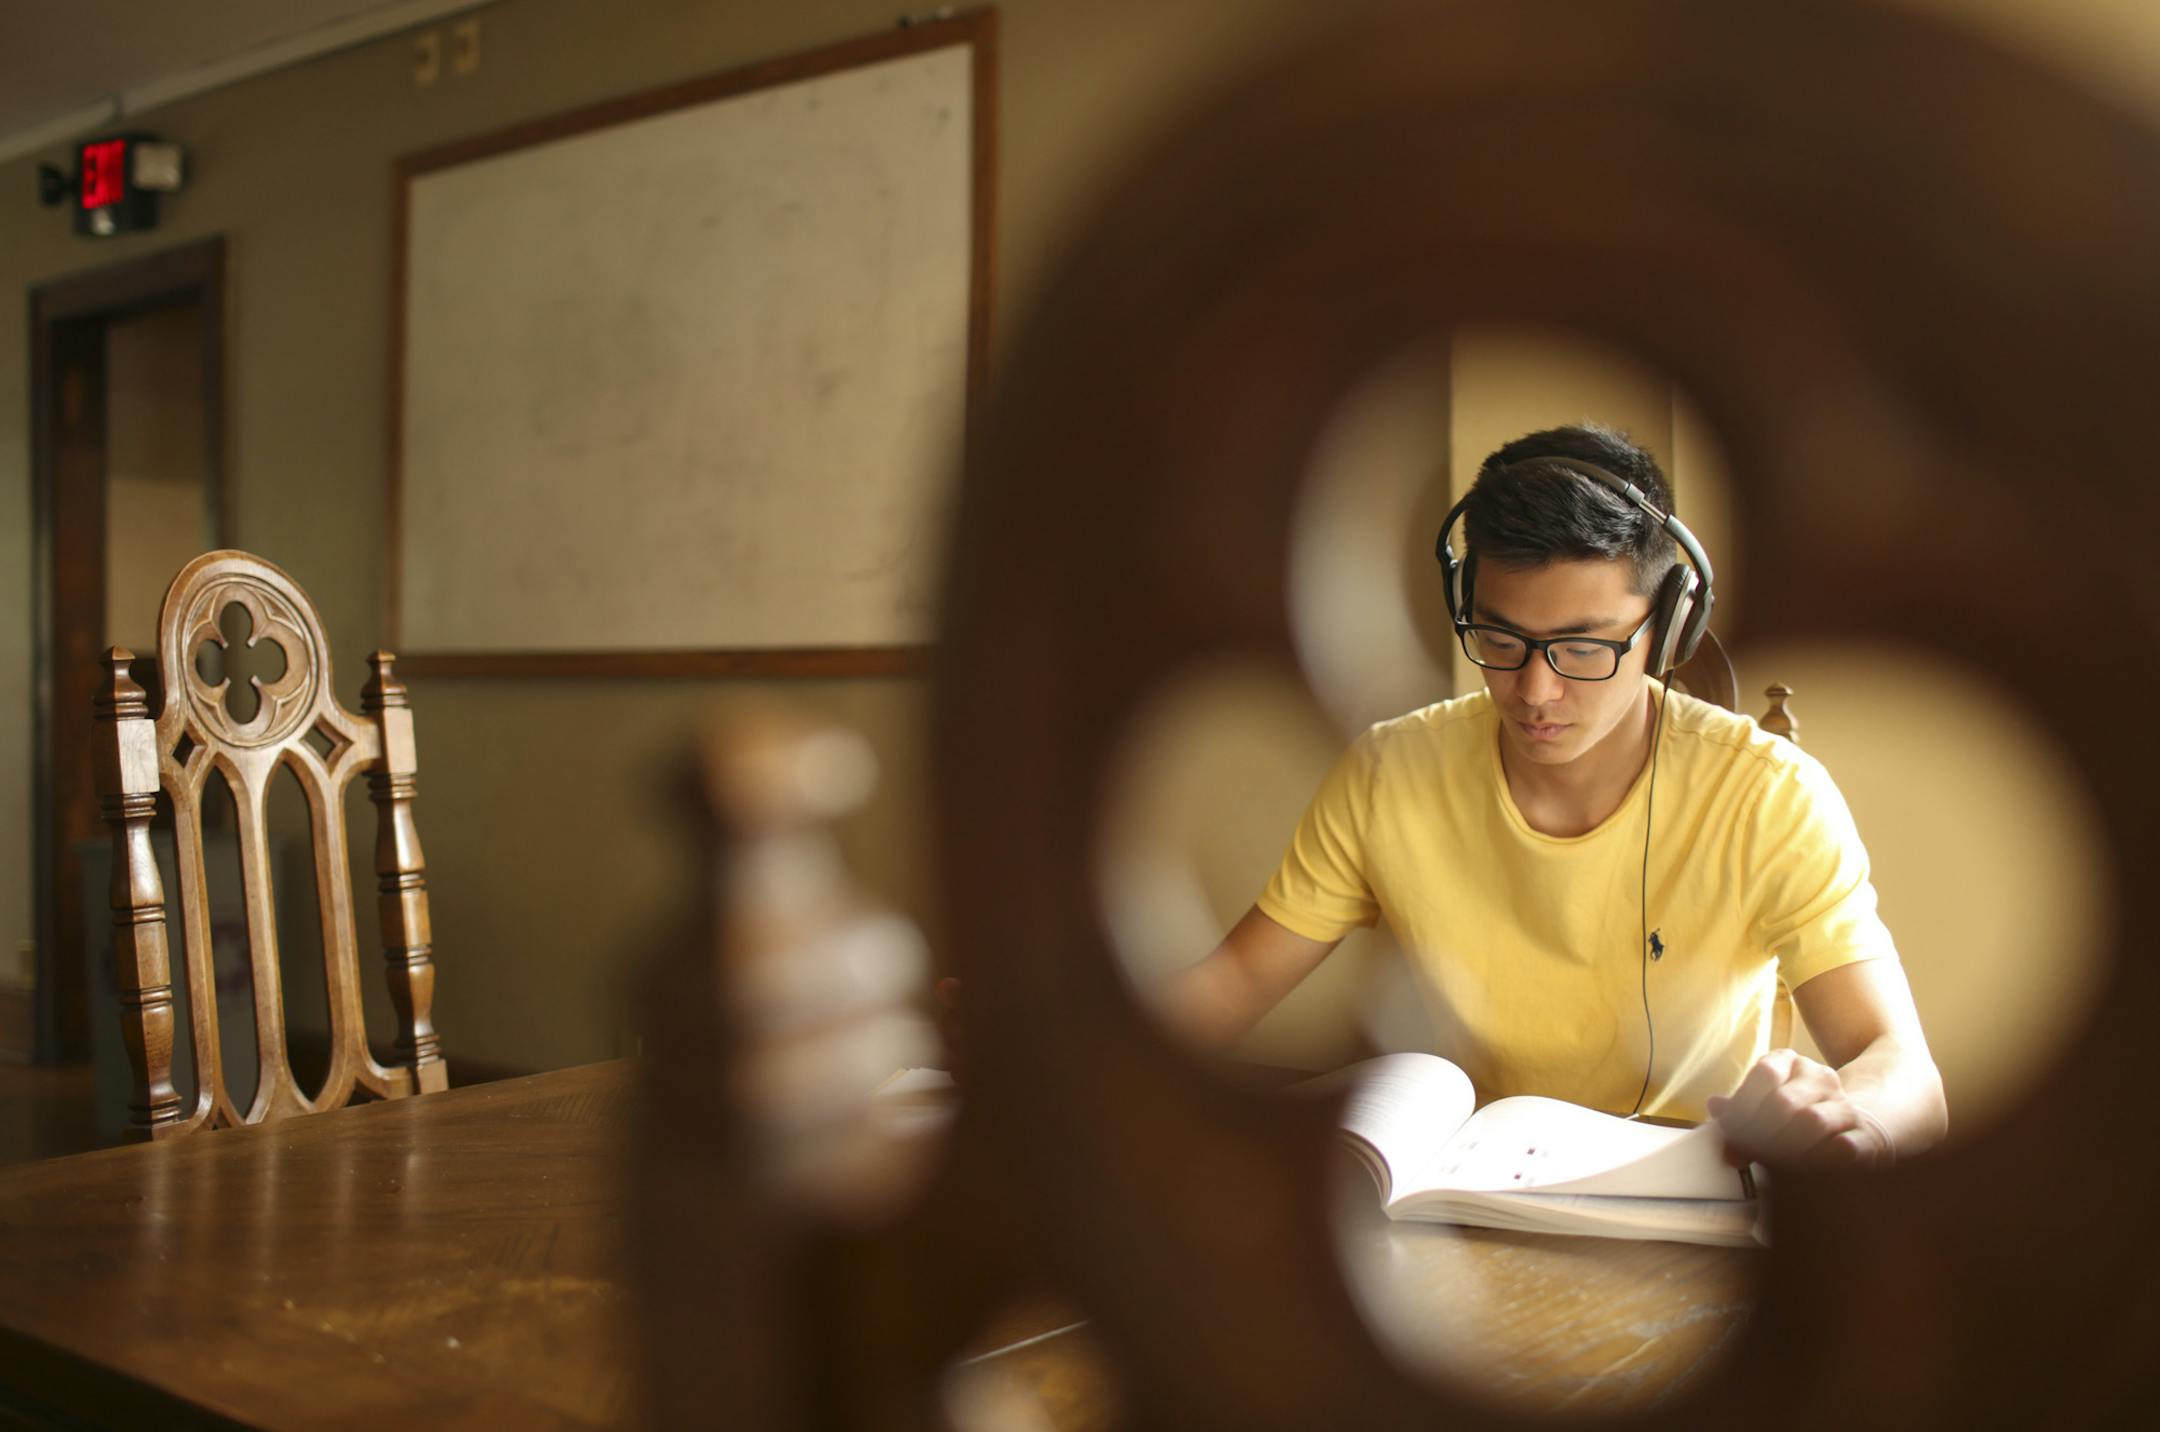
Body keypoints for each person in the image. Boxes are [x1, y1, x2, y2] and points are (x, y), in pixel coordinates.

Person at [1163, 424, 1946, 1166]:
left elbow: (1902, 1068)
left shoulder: (1770, 796)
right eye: (1500, 641)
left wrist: (1853, 1124)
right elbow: (1232, 986)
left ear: (1667, 629)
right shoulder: (1388, 773)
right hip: (1465, 1197)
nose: (1536, 690)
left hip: (1691, 1209)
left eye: (1583, 647)